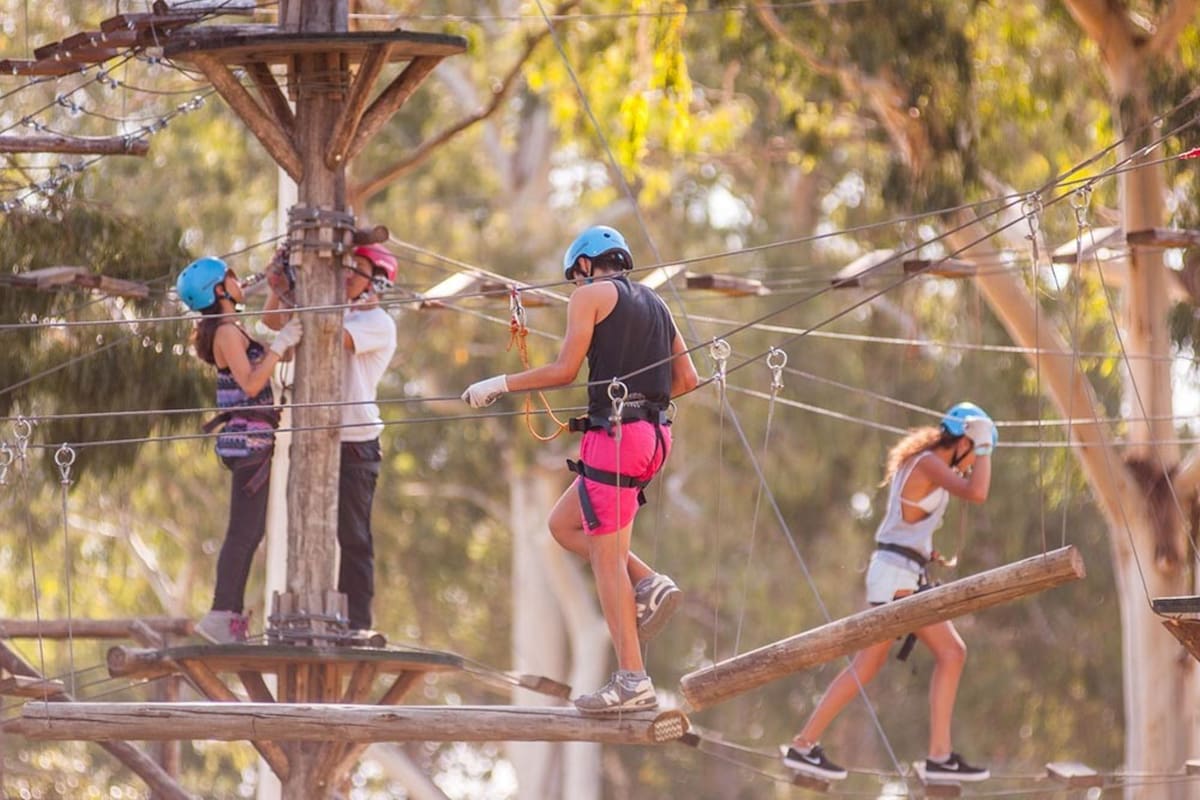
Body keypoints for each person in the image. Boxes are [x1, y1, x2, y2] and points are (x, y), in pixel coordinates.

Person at [462, 225, 699, 714]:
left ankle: (633, 680)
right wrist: (641, 406)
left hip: (615, 441)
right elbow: (688, 379)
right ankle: (650, 582)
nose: (576, 285)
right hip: (653, 438)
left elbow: (565, 370)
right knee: (563, 525)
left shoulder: (590, 295)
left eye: (576, 276)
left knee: (607, 563)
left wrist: (500, 383)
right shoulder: (657, 303)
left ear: (587, 265)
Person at [782, 402, 997, 783]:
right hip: (896, 574)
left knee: (873, 664)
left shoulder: (927, 463)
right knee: (950, 652)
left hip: (900, 571)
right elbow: (977, 492)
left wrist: (925, 549)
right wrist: (984, 448)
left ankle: (805, 744)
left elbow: (906, 521)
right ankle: (938, 756)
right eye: (974, 451)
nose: (973, 462)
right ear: (964, 441)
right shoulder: (930, 462)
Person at [264, 243, 398, 635]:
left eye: (356, 269)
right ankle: (310, 609)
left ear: (377, 283)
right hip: (314, 437)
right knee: (309, 523)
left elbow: (327, 334)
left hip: (356, 440)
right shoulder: (328, 308)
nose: (346, 275)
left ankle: (357, 622)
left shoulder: (376, 322)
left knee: (352, 535)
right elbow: (275, 320)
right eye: (344, 267)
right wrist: (279, 285)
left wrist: (296, 291)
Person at [177, 256, 303, 644]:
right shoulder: (227, 334)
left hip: (252, 442)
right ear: (219, 290)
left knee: (249, 531)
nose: (237, 281)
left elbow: (274, 357)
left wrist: (279, 296)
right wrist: (280, 345)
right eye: (230, 277)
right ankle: (222, 613)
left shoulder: (232, 330)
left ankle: (226, 612)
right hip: (248, 441)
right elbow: (251, 384)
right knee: (244, 532)